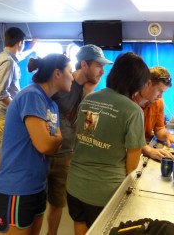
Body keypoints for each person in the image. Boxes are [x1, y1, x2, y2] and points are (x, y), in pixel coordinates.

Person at [0, 53, 73, 235]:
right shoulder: (32, 96)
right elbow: (45, 145)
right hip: (16, 189)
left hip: (36, 186)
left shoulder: (51, 105)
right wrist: (56, 139)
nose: (72, 77)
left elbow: (52, 144)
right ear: (57, 73)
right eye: (70, 71)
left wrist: (54, 141)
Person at [66, 52, 150, 235]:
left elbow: (86, 136)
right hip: (104, 193)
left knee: (81, 224)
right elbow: (132, 166)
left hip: (75, 185)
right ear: (137, 83)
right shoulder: (133, 111)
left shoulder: (90, 99)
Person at [47, 44, 113, 235]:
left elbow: (86, 125)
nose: (102, 71)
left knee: (57, 203)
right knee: (34, 203)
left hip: (66, 153)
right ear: (84, 65)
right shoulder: (61, 83)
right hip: (43, 151)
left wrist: (89, 92)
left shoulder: (89, 89)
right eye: (98, 66)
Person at [134, 66, 174, 161]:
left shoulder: (158, 102)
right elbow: (128, 140)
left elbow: (159, 129)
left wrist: (167, 135)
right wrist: (149, 150)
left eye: (163, 92)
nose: (160, 96)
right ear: (148, 83)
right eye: (159, 91)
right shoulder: (130, 103)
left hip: (144, 146)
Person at [0, 27, 26, 166]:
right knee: (10, 157)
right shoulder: (8, 62)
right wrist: (16, 109)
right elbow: (0, 91)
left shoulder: (4, 57)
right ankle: (3, 187)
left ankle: (1, 186)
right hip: (6, 117)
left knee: (5, 153)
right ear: (20, 43)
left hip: (4, 116)